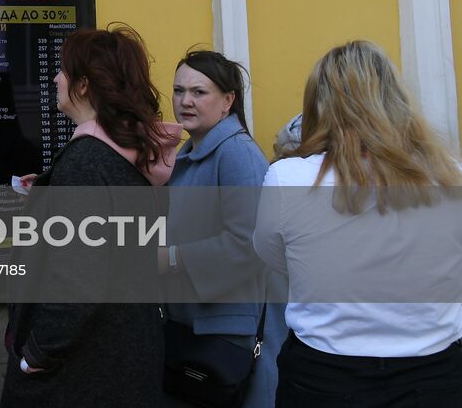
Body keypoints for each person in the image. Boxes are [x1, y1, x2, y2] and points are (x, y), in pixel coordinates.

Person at [253, 41, 462, 406]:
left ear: (319, 105)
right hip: (433, 370)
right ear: (395, 99)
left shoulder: (288, 178)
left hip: (325, 375)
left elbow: (276, 258)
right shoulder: (449, 175)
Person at [1, 25, 181, 408]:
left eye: (63, 70)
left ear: (83, 86)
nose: (54, 78)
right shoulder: (123, 156)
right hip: (122, 360)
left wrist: (35, 355)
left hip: (82, 373)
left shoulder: (86, 163)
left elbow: (76, 282)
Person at [162, 50, 277, 407]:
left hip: (226, 333)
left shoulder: (236, 154)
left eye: (199, 92)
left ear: (228, 100)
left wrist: (170, 260)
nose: (185, 101)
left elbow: (248, 245)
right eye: (179, 91)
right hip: (194, 327)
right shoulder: (190, 152)